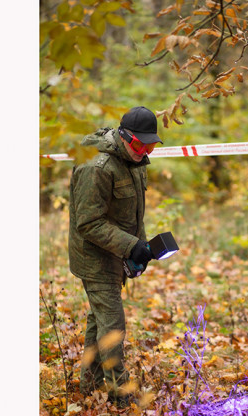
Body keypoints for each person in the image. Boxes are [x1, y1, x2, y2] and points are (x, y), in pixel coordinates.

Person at [68, 106, 162, 407]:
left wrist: (141, 248)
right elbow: (88, 222)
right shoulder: (96, 167)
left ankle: (89, 383)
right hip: (94, 257)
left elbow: (134, 213)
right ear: (123, 137)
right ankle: (119, 394)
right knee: (113, 326)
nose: (143, 151)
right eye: (138, 144)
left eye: (149, 146)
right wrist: (129, 245)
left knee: (99, 322)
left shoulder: (136, 163)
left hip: (115, 254)